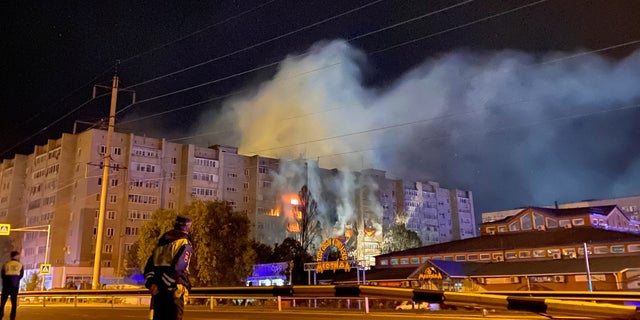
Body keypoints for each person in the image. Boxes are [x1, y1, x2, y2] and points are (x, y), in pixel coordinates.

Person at [144, 216, 193, 320]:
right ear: (187, 227)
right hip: (174, 292)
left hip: (157, 292)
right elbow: (179, 268)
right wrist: (162, 285)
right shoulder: (184, 243)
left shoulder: (161, 243)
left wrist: (152, 283)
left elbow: (149, 267)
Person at [1, 251, 24, 320]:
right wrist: (16, 279)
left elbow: (2, 274)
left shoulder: (6, 264)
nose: (19, 257)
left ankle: (0, 315)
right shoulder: (20, 265)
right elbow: (21, 275)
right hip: (14, 286)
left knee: (2, 303)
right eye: (18, 255)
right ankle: (12, 317)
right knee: (14, 304)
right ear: (16, 256)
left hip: (6, 285)